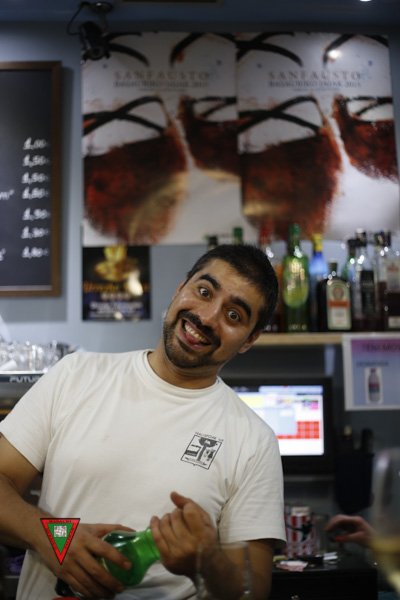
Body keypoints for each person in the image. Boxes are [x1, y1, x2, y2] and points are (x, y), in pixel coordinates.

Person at [0, 243, 286, 600]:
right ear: (180, 288)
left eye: (233, 315)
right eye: (204, 292)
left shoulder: (254, 440)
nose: (207, 317)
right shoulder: (75, 375)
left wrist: (207, 562)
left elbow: (254, 589)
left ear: (249, 340)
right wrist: (54, 538)